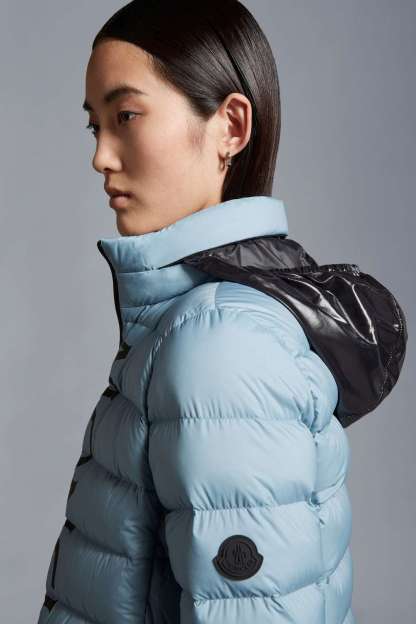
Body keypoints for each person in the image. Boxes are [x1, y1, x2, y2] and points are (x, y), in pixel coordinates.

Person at [37, 1, 407, 622]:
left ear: (231, 126)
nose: (101, 156)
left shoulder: (222, 342)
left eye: (126, 115)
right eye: (95, 126)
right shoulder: (203, 319)